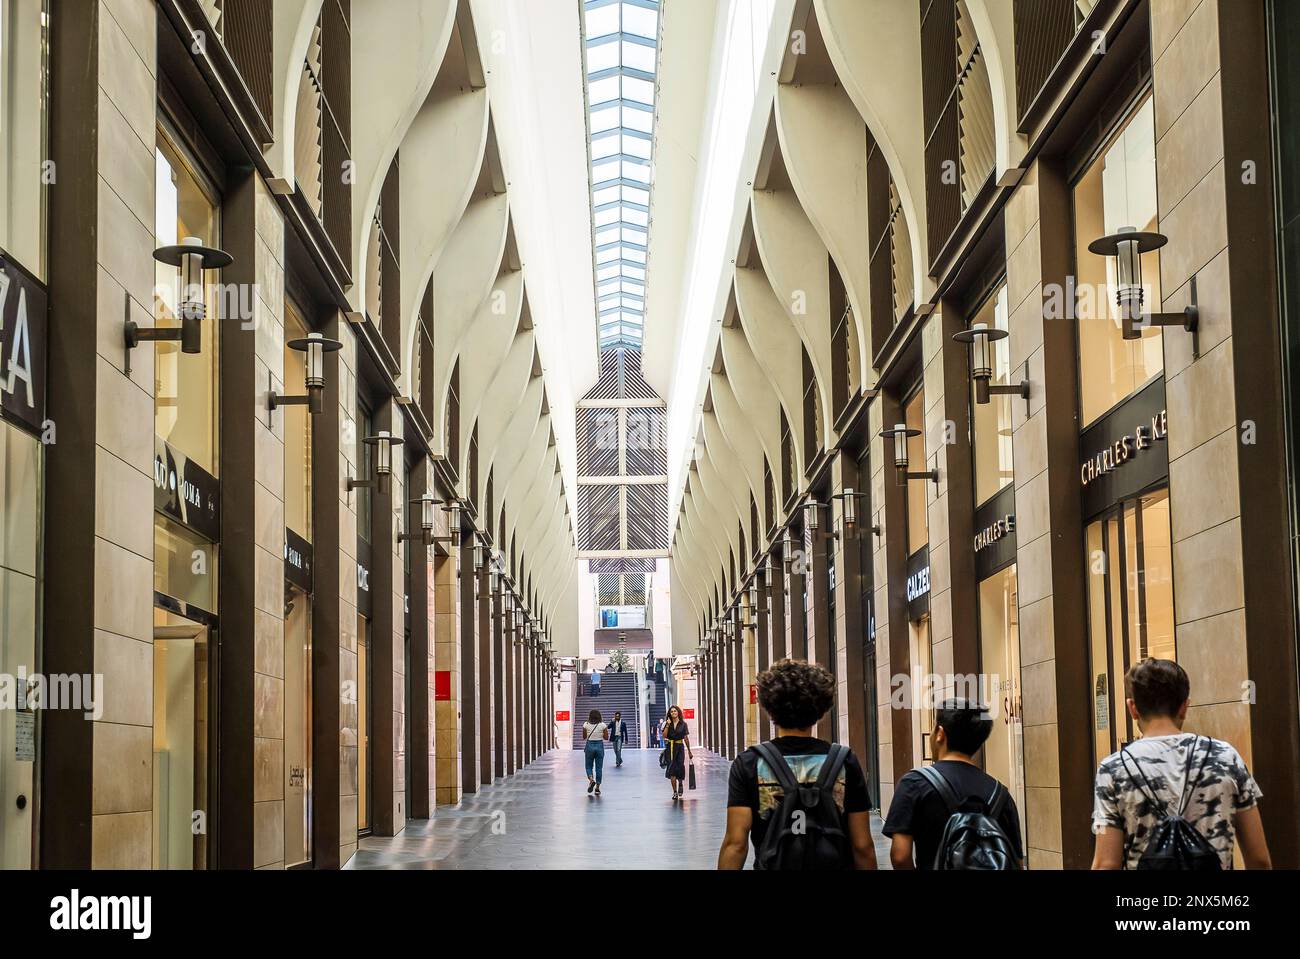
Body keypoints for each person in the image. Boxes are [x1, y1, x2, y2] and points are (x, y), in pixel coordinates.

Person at [1091, 658, 1271, 870]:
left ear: (1133, 708)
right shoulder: (1226, 757)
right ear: (1184, 706)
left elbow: (1106, 864)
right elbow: (1259, 860)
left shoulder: (1113, 769)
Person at [718, 659, 877, 870]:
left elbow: (735, 844)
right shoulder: (844, 761)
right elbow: (862, 846)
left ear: (769, 708)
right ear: (821, 709)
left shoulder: (749, 763)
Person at [883, 699, 1023, 870]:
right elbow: (1017, 861)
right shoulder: (1001, 794)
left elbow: (900, 856)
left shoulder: (914, 783)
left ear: (940, 734)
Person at [662, 705, 692, 802]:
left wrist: (689, 751)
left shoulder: (683, 724)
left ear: (678, 712)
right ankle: (674, 792)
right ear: (669, 714)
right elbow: (664, 735)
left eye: (675, 711)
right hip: (670, 748)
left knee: (680, 767)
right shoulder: (668, 723)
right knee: (672, 770)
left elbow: (686, 738)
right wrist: (667, 724)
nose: (673, 713)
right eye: (671, 711)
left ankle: (680, 783)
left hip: (679, 748)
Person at [582, 709, 609, 796]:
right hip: (599, 746)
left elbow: (584, 737)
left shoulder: (586, 724)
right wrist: (600, 733)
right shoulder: (603, 725)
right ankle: (597, 788)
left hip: (589, 746)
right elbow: (606, 738)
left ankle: (591, 779)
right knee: (599, 768)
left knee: (588, 766)